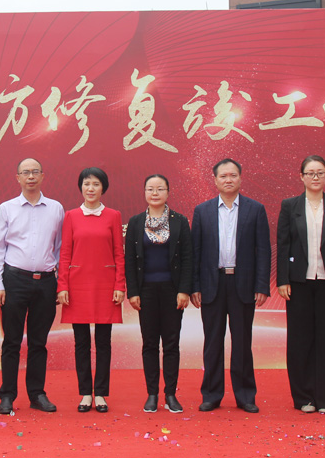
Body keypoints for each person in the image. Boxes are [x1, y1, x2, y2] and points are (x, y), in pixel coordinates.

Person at [276, 155, 325, 414]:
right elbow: (283, 244)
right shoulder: (290, 206)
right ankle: (304, 398)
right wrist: (282, 279)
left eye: (320, 172)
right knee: (300, 340)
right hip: (298, 283)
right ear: (301, 177)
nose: (315, 177)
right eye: (310, 173)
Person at [191, 158, 270, 413]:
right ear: (215, 180)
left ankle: (245, 395)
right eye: (223, 176)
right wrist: (195, 286)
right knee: (212, 342)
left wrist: (261, 285)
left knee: (242, 343)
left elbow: (263, 250)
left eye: (233, 175)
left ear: (240, 178)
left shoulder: (255, 209)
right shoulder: (202, 211)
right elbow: (195, 252)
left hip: (243, 284)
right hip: (211, 284)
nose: (228, 180)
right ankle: (211, 394)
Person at [0, 158, 64, 414]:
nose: (30, 176)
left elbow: (60, 248)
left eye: (34, 172)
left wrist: (59, 282)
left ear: (42, 176)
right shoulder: (6, 208)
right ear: (18, 178)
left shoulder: (55, 208)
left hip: (46, 282)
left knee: (38, 342)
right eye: (25, 172)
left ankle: (37, 394)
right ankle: (7, 395)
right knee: (11, 341)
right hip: (14, 281)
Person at [57, 167, 126, 414]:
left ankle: (101, 394)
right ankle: (86, 393)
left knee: (104, 343)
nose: (90, 188)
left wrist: (120, 285)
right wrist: (62, 286)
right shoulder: (71, 216)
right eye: (86, 183)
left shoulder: (113, 216)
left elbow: (119, 253)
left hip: (106, 285)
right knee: (82, 343)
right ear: (80, 187)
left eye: (96, 184)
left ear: (103, 188)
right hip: (78, 286)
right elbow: (65, 253)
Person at [125, 174, 192, 413]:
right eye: (150, 189)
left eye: (160, 189)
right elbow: (129, 260)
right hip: (146, 292)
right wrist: (133, 291)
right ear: (144, 192)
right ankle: (152, 394)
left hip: (172, 291)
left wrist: (184, 290)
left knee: (171, 344)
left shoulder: (180, 221)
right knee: (150, 343)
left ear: (168, 192)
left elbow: (187, 258)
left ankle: (170, 394)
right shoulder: (135, 222)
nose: (155, 193)